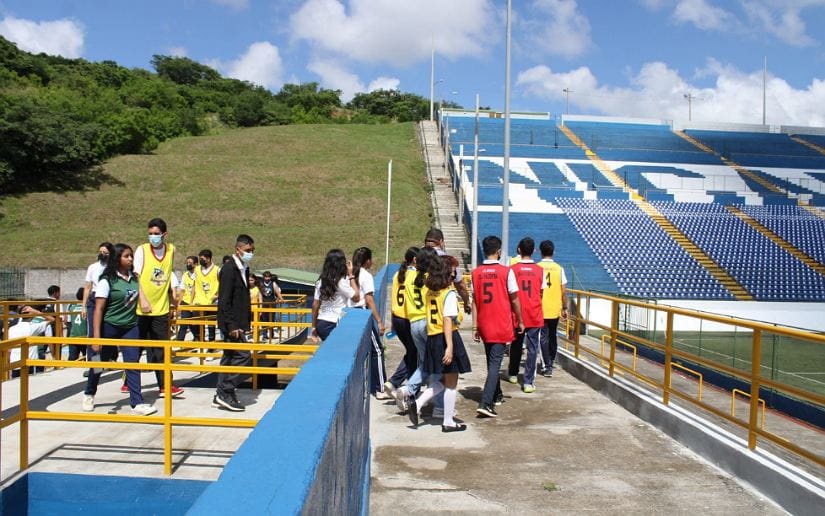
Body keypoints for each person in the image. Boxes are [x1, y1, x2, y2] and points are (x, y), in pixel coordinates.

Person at [83, 243, 157, 416]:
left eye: (131, 256)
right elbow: (98, 309)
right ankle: (89, 393)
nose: (130, 259)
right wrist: (96, 337)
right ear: (117, 259)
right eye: (126, 256)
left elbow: (138, 295)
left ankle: (137, 403)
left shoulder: (134, 278)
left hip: (130, 326)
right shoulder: (107, 280)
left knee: (132, 363)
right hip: (109, 326)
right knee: (98, 363)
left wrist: (145, 303)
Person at [407, 255, 472, 432]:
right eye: (452, 270)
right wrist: (450, 346)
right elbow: (447, 320)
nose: (454, 273)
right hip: (446, 337)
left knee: (444, 379)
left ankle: (418, 403)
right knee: (452, 382)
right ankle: (448, 421)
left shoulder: (430, 292)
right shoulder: (448, 294)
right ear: (446, 272)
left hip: (433, 337)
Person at [471, 235, 524, 418]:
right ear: (499, 251)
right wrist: (520, 320)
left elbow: (474, 301)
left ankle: (497, 394)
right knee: (495, 364)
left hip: (484, 322)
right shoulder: (506, 272)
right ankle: (486, 403)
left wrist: (475, 325)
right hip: (500, 323)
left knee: (491, 361)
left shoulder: (476, 273)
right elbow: (515, 299)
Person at [134, 218, 184, 397]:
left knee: (161, 350)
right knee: (136, 349)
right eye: (150, 234)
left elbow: (167, 275)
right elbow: (136, 277)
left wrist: (172, 299)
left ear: (164, 234)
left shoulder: (171, 250)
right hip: (141, 309)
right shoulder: (142, 250)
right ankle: (128, 381)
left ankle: (165, 386)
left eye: (156, 234)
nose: (153, 237)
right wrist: (143, 300)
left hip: (161, 309)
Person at [213, 234, 255, 412]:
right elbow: (224, 300)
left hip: (239, 322)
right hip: (231, 324)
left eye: (252, 250)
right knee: (243, 356)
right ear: (238, 249)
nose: (250, 253)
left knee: (229, 357)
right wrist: (232, 325)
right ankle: (226, 390)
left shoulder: (244, 268)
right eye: (247, 250)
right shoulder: (229, 269)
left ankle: (221, 393)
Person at [507, 238, 545, 393]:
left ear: (519, 250)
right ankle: (528, 382)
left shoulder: (513, 269)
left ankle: (513, 373)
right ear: (534, 250)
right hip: (534, 312)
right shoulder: (540, 270)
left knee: (516, 344)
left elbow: (510, 292)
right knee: (533, 348)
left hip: (517, 313)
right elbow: (541, 292)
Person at [350, 247, 387, 398]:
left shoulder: (348, 274)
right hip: (361, 314)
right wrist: (379, 321)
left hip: (347, 314)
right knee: (377, 350)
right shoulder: (366, 275)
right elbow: (369, 300)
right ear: (367, 261)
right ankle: (380, 388)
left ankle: (368, 386)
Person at [384, 247, 420, 402]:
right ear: (415, 260)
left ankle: (397, 383)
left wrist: (393, 322)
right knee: (415, 353)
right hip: (408, 318)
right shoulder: (415, 276)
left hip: (397, 318)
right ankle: (403, 386)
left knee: (412, 352)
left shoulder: (398, 274)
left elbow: (393, 299)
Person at [310, 249, 360, 342]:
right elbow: (356, 297)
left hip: (321, 323)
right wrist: (351, 275)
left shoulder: (320, 281)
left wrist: (313, 327)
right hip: (335, 322)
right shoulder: (341, 282)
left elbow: (315, 305)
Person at [538, 240, 568, 377]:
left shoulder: (537, 267)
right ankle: (551, 361)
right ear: (553, 252)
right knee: (552, 335)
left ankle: (547, 366)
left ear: (541, 252)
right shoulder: (559, 269)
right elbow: (564, 291)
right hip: (555, 308)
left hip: (541, 308)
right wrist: (565, 308)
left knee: (543, 337)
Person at [424, 228, 471, 314]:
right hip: (443, 306)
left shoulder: (417, 258)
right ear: (441, 241)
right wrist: (466, 301)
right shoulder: (449, 260)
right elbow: (460, 285)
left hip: (420, 307)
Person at [7, 304, 55, 377]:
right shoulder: (32, 328)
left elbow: (9, 350)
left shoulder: (11, 329)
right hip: (30, 363)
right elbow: (52, 319)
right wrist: (37, 312)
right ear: (32, 316)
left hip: (15, 363)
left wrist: (8, 364)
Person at [82, 243, 114, 341]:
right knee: (93, 329)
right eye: (100, 252)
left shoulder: (114, 267)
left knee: (108, 329)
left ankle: (108, 350)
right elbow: (87, 287)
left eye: (105, 252)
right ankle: (93, 350)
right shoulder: (92, 267)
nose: (102, 254)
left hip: (109, 299)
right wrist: (83, 306)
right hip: (94, 298)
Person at [193, 249, 219, 343]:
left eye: (202, 259)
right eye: (200, 259)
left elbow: (223, 284)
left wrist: (217, 295)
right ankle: (201, 341)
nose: (201, 261)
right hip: (199, 301)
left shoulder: (217, 270)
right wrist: (192, 300)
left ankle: (211, 344)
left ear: (208, 259)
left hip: (211, 302)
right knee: (197, 323)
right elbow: (194, 285)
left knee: (211, 324)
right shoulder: (197, 269)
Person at [176, 255, 198, 342]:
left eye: (190, 263)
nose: (188, 264)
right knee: (184, 322)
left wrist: (192, 302)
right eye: (187, 262)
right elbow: (182, 290)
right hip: (186, 301)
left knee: (194, 323)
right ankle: (180, 340)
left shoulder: (199, 274)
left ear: (195, 264)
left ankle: (198, 338)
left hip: (196, 302)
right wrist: (179, 304)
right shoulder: (185, 275)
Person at [259, 271, 284, 342]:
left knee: (271, 320)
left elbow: (277, 292)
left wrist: (281, 299)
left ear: (270, 277)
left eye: (268, 277)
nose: (267, 278)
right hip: (264, 304)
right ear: (263, 277)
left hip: (272, 305)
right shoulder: (261, 284)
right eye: (265, 277)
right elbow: (260, 295)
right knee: (264, 320)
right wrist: (260, 306)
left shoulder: (273, 283)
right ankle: (264, 335)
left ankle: (271, 333)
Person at [67, 287, 88, 360]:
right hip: (86, 336)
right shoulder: (88, 307)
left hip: (73, 336)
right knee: (92, 357)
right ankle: (97, 367)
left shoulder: (71, 306)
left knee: (72, 359)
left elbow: (67, 321)